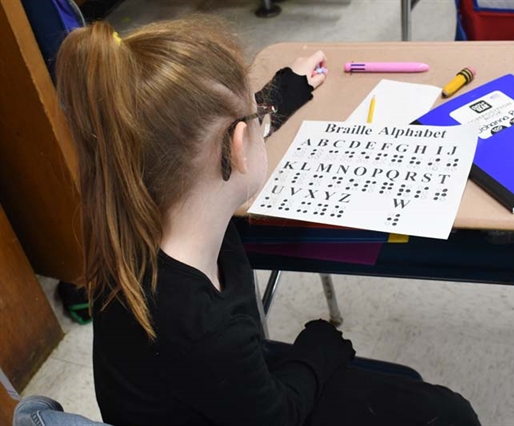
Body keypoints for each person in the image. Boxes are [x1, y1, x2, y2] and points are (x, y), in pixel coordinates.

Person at [55, 15, 481, 426]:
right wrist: (318, 345)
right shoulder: (207, 331)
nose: (264, 117)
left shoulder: (139, 206)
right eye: (257, 116)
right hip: (253, 402)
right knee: (451, 414)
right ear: (236, 149)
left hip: (210, 393)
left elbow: (208, 134)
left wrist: (285, 89)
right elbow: (278, 415)